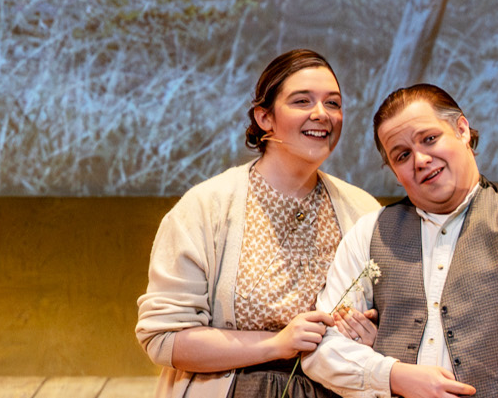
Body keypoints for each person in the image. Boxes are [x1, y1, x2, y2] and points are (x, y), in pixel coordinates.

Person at [303, 78, 498, 397]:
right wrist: (392, 375)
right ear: (395, 173)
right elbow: (323, 348)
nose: (420, 160)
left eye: (429, 139)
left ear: (462, 130)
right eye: (402, 155)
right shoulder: (371, 233)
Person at [135, 49, 382, 397]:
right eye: (302, 101)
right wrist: (277, 344)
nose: (321, 114)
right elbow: (163, 338)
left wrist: (373, 337)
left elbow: (394, 326)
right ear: (265, 117)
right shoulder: (206, 207)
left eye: (333, 103)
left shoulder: (362, 210)